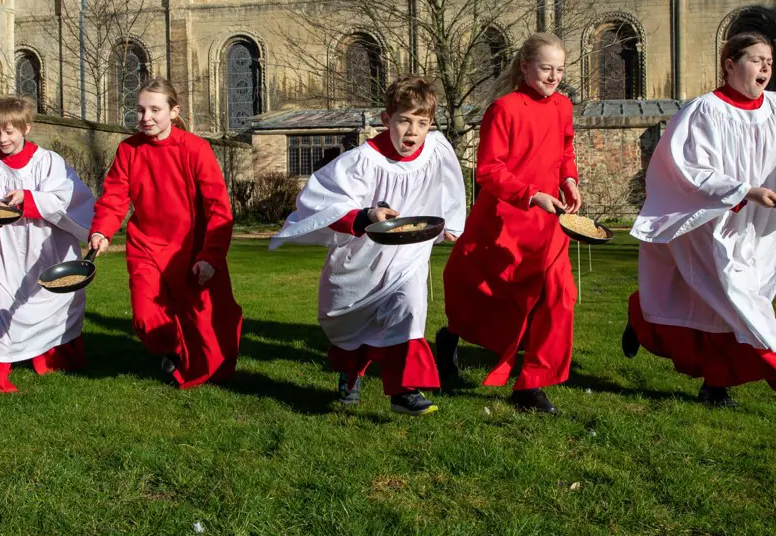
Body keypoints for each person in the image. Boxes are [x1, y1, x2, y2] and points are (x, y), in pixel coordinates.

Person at [624, 32, 776, 407]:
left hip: (761, 227)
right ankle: (753, 369)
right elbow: (686, 168)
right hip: (712, 223)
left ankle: (694, 368)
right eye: (755, 59)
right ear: (730, 65)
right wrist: (743, 191)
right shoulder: (704, 111)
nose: (765, 67)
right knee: (734, 297)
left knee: (718, 306)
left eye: (769, 60)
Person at [271, 76, 467, 416]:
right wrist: (365, 215)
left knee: (409, 309)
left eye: (422, 123)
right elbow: (321, 202)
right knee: (353, 322)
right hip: (361, 256)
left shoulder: (436, 149)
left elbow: (450, 184)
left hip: (409, 253)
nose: (412, 131)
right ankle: (351, 373)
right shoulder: (360, 161)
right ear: (386, 119)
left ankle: (405, 391)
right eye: (404, 120)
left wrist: (450, 223)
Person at [438, 33, 582, 414]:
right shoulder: (503, 108)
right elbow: (488, 170)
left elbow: (565, 151)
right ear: (525, 66)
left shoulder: (564, 106)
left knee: (558, 297)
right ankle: (450, 336)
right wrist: (531, 194)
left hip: (550, 223)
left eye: (560, 70)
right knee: (486, 297)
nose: (553, 77)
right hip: (503, 220)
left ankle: (530, 386)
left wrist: (569, 179)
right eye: (546, 68)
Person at [89, 78, 242, 388]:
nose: (146, 117)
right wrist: (102, 231)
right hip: (145, 246)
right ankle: (173, 349)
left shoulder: (196, 149)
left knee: (206, 325)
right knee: (146, 318)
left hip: (191, 247)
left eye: (154, 110)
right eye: (141, 110)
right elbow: (114, 197)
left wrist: (210, 255)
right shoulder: (128, 150)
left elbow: (218, 208)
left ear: (174, 112)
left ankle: (191, 356)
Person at [0, 96, 95, 394]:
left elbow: (69, 199)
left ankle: (55, 359)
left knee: (54, 301)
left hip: (46, 244)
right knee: (0, 301)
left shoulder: (48, 161)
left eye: (9, 132)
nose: (2, 138)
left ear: (26, 128)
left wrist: (29, 197)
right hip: (4, 247)